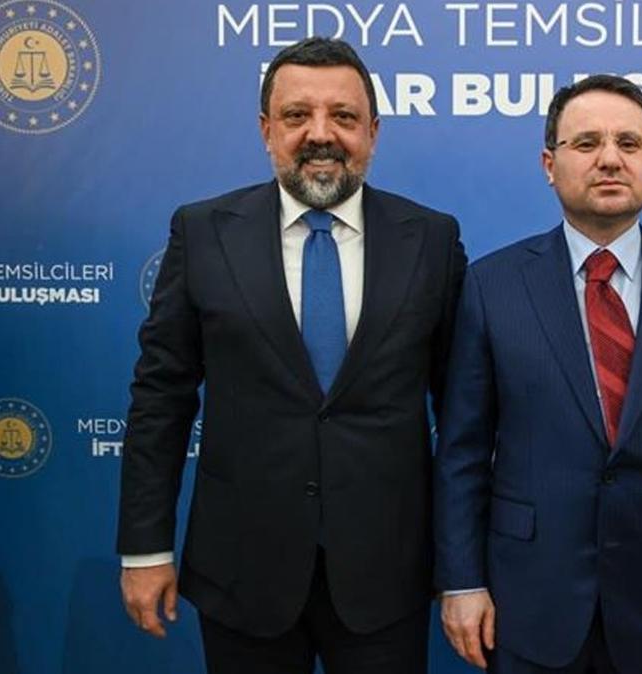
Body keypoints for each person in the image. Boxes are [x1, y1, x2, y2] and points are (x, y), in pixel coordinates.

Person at [117, 37, 466, 674]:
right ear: (266, 130)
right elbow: (161, 399)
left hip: (387, 575)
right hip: (241, 569)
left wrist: (464, 564)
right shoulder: (202, 232)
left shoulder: (433, 240)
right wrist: (145, 548)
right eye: (297, 115)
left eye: (343, 116)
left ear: (373, 132)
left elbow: (462, 413)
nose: (320, 134)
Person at [434, 75, 642, 673]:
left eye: (629, 143)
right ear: (549, 164)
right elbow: (462, 451)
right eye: (586, 143)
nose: (610, 159)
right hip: (528, 601)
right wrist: (461, 581)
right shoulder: (492, 285)